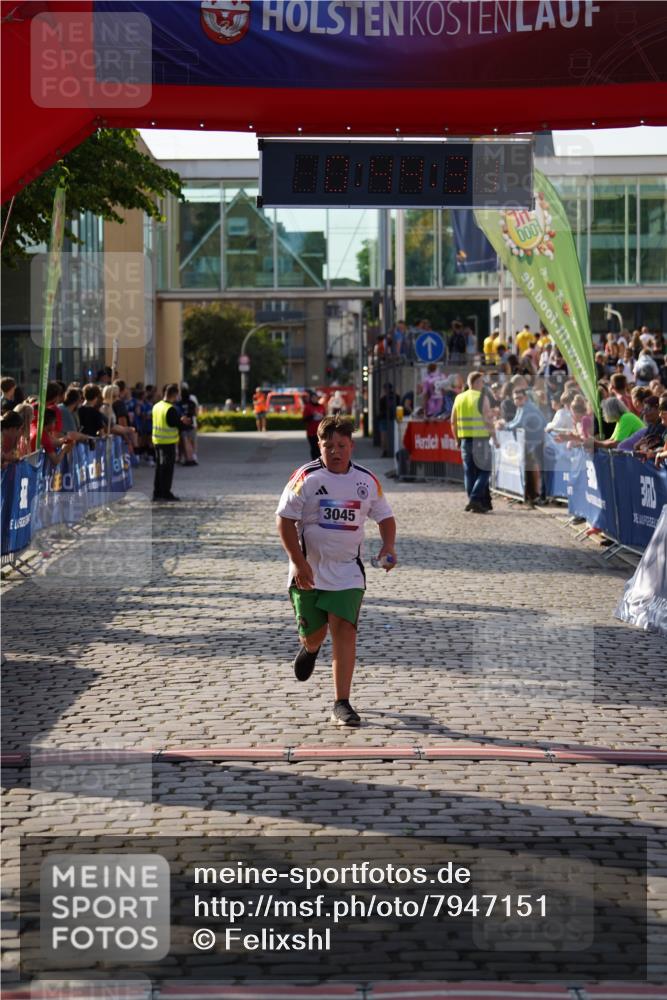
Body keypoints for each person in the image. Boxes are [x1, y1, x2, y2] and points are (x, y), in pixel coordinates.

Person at [275, 415, 397, 728]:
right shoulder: (306, 477)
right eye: (329, 446)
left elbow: (385, 517)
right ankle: (310, 646)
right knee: (317, 634)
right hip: (309, 571)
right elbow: (284, 520)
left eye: (341, 445)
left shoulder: (367, 481)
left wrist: (388, 547)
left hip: (348, 572)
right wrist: (298, 562)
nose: (336, 451)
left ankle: (341, 702)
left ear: (351, 446)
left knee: (345, 629)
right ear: (319, 445)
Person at [451, 370, 496, 514]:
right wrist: (494, 437)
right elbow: (487, 420)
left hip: (465, 440)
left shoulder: (459, 398)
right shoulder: (482, 397)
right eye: (482, 382)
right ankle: (474, 499)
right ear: (476, 382)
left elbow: (453, 422)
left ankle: (473, 500)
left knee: (469, 473)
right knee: (485, 470)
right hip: (481, 440)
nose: (483, 385)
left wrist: (457, 439)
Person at [497, 385, 547, 505]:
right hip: (532, 443)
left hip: (538, 442)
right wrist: (506, 425)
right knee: (533, 469)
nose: (517, 400)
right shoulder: (521, 407)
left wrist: (504, 426)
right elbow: (515, 421)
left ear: (525, 397)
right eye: (515, 398)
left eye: (519, 398)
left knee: (541, 470)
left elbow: (519, 423)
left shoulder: (527, 408)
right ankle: (534, 495)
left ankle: (543, 496)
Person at [152, 383, 192, 502]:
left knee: (159, 468)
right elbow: (174, 423)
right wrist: (184, 422)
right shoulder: (170, 409)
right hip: (167, 442)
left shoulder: (157, 406)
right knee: (167, 469)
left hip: (157, 441)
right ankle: (165, 493)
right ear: (173, 395)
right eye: (177, 395)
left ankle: (157, 492)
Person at [302, 390, 326, 460]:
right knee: (314, 448)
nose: (315, 399)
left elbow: (325, 417)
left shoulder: (321, 406)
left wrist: (322, 416)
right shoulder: (308, 407)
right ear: (311, 399)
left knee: (321, 448)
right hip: (311, 432)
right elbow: (304, 419)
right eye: (313, 398)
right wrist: (312, 416)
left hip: (321, 431)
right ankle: (314, 462)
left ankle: (321, 462)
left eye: (316, 398)